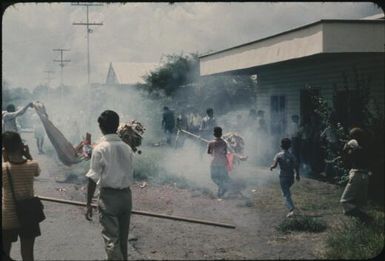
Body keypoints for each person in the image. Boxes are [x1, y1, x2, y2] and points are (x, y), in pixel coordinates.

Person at [85, 110, 134, 260]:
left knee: (112, 240)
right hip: (126, 197)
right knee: (123, 240)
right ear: (117, 125)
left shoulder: (100, 149)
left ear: (100, 127)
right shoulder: (127, 148)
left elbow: (92, 178)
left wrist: (88, 203)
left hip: (109, 198)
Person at [2, 131, 41, 261]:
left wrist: (5, 157)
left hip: (8, 217)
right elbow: (37, 173)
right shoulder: (33, 165)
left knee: (4, 254)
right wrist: (27, 154)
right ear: (21, 145)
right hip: (29, 215)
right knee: (28, 255)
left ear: (4, 148)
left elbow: (8, 169)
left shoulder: (3, 168)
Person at [340, 127, 371, 223]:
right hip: (365, 175)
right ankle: (365, 225)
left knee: (345, 202)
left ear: (354, 137)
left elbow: (346, 161)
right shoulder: (366, 147)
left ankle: (366, 218)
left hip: (357, 174)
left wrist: (346, 150)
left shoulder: (355, 148)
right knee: (362, 204)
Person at [270, 138, 300, 218]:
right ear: (289, 146)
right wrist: (297, 175)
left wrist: (271, 167)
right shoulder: (292, 155)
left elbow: (275, 165)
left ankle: (291, 209)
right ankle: (290, 205)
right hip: (291, 177)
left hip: (283, 177)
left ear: (281, 146)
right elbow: (296, 165)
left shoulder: (278, 155)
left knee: (286, 193)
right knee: (286, 192)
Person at [207, 126, 230, 198]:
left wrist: (211, 147)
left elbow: (209, 152)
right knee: (222, 178)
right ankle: (221, 190)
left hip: (215, 162)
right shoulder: (224, 143)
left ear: (214, 133)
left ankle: (222, 187)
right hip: (223, 162)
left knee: (213, 177)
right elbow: (225, 153)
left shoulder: (211, 143)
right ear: (221, 133)